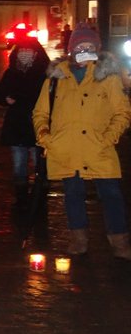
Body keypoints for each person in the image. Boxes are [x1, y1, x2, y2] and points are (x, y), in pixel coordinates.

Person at [32, 23, 131, 259]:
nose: (84, 50)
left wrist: (108, 138)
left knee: (112, 196)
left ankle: (120, 242)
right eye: (80, 46)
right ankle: (79, 239)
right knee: (73, 195)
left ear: (96, 48)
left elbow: (123, 112)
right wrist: (45, 137)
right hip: (66, 149)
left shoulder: (108, 78)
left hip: (99, 149)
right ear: (72, 49)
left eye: (89, 46)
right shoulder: (56, 79)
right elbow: (40, 113)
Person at [0, 40, 50, 213]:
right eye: (22, 51)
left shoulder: (44, 74)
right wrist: (5, 99)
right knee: (19, 165)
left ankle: (39, 198)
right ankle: (21, 198)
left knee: (39, 164)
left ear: (36, 54)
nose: (25, 54)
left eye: (29, 51)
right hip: (17, 125)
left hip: (37, 125)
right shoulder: (11, 73)